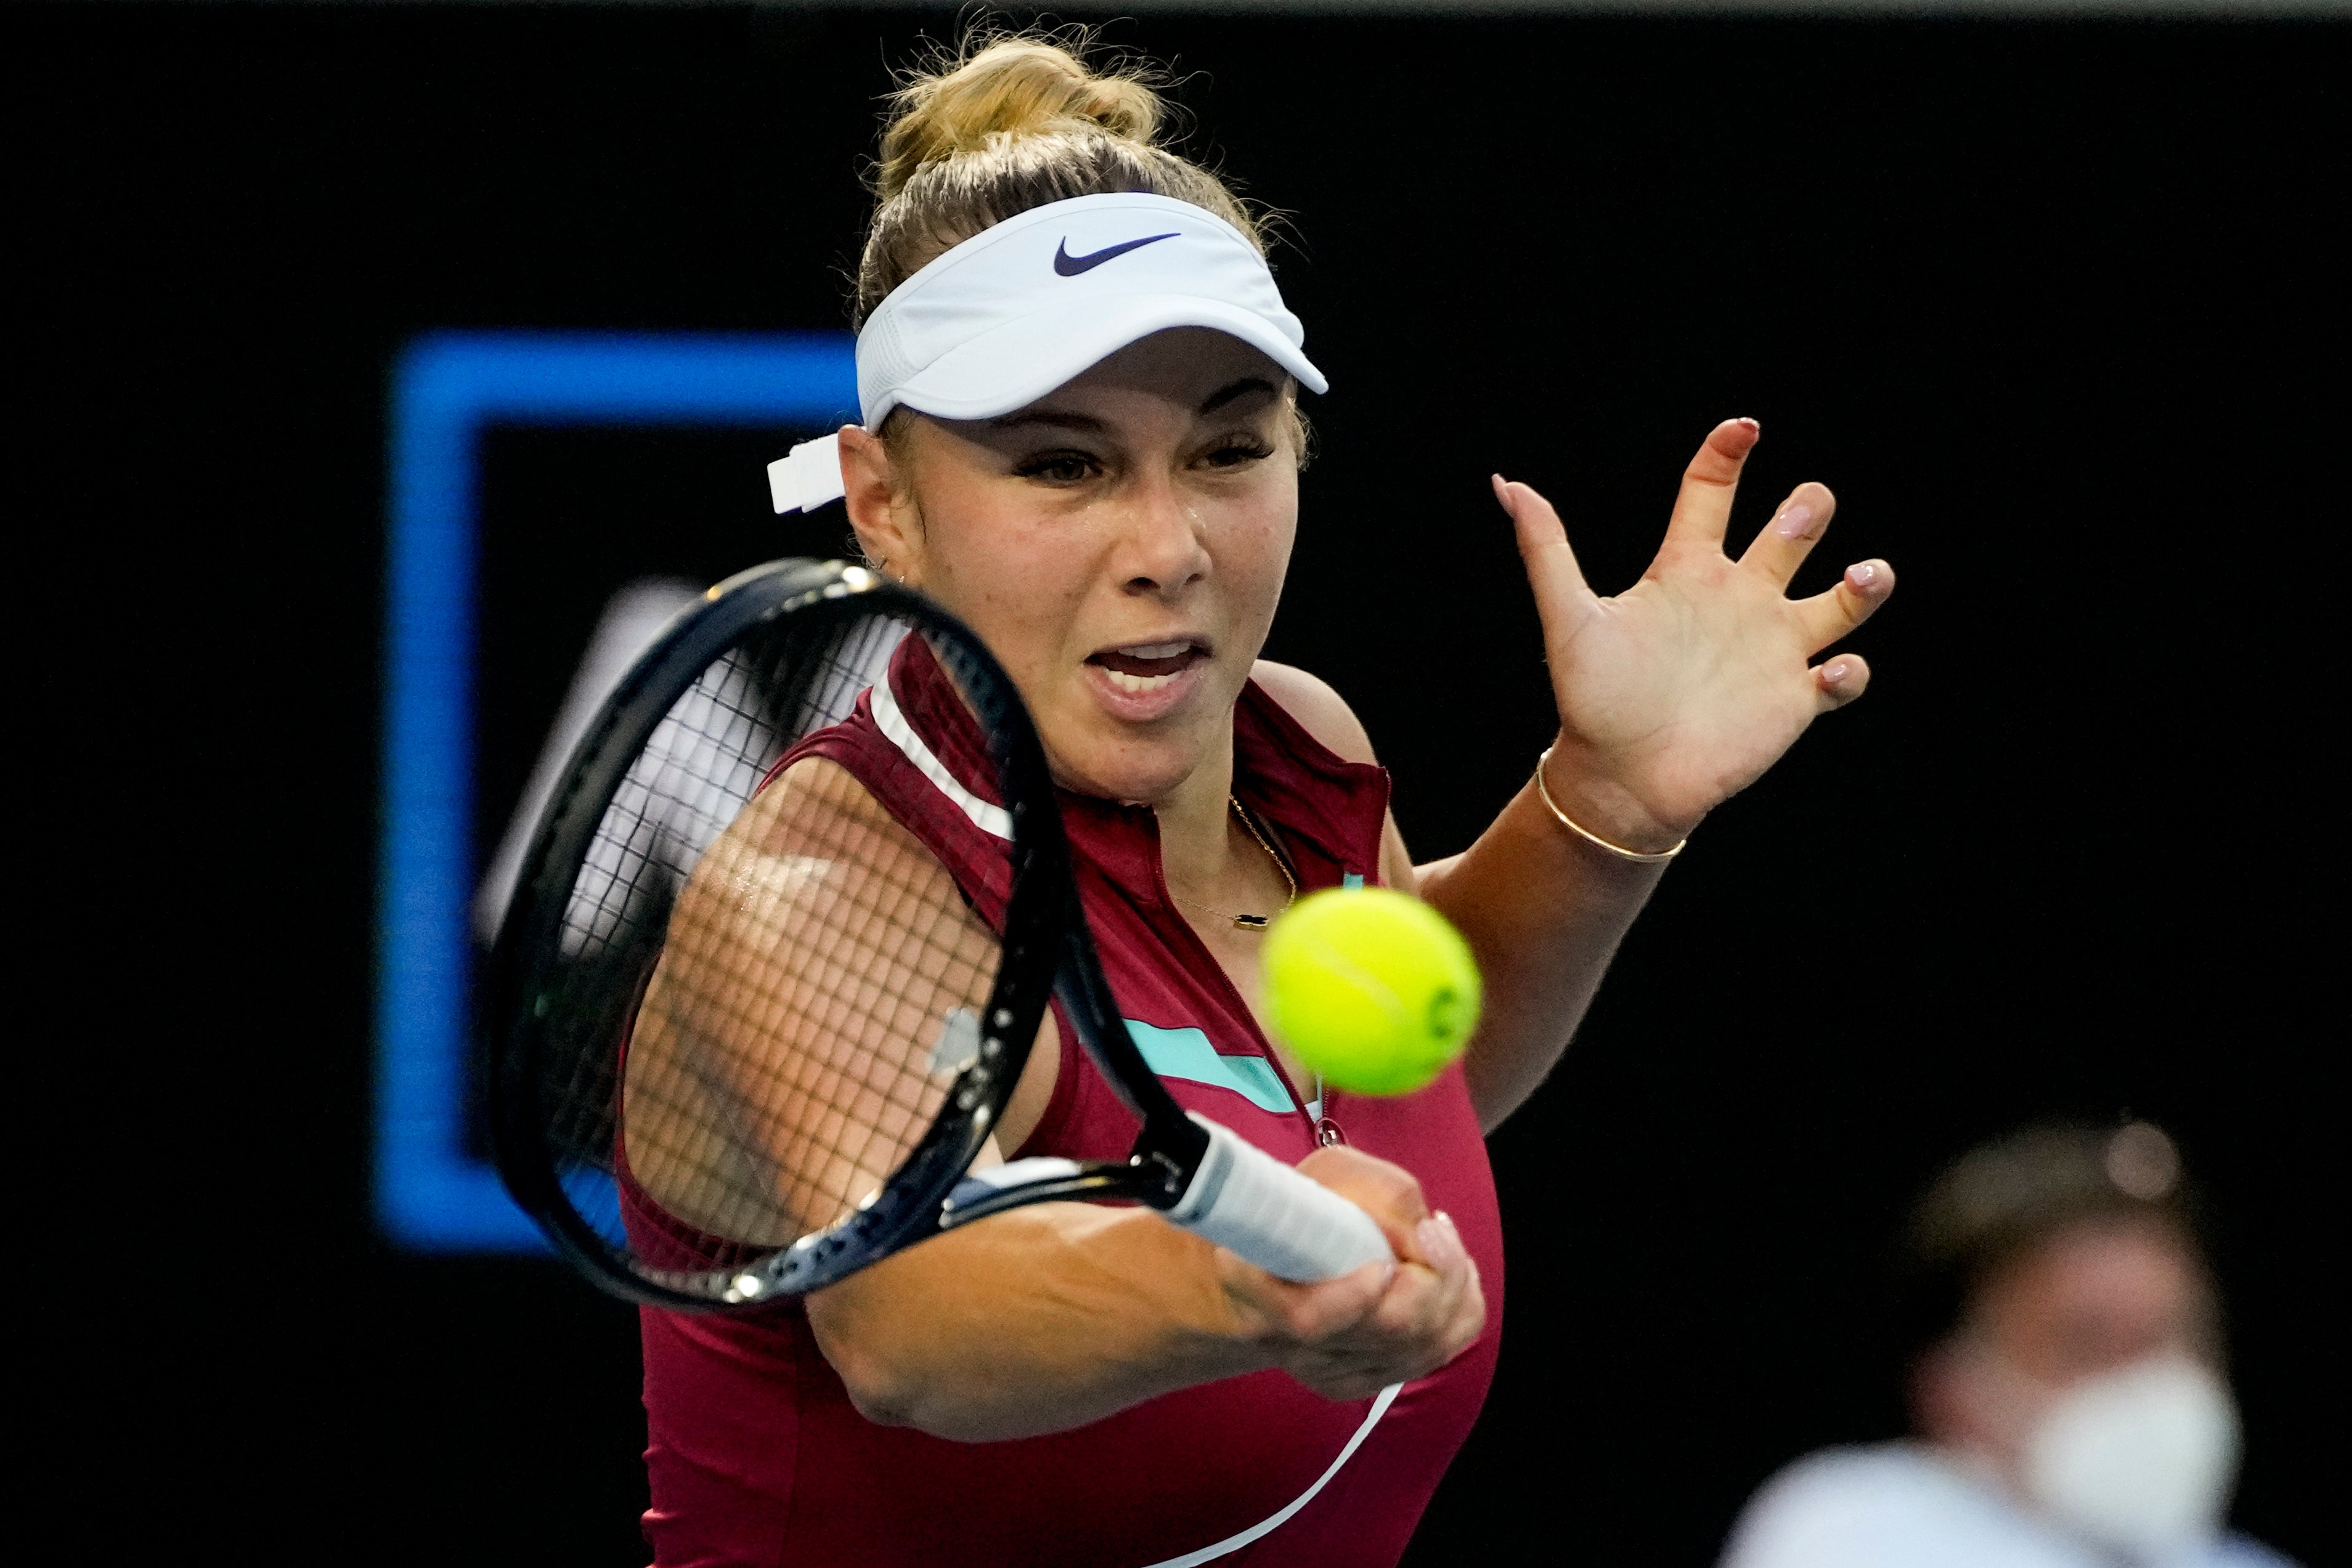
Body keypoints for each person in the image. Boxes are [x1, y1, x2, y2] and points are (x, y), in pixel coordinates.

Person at [635, 30, 1894, 1567]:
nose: (1167, 541)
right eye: (1061, 465)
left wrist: (1608, 802)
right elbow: (908, 1322)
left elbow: (1407, 1084)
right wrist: (1241, 1282)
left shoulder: (1295, 750)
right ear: (884, 504)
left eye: (1228, 448)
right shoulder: (833, 890)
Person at [1719, 1123, 2296, 1568]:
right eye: (2085, 1342)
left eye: (2162, 1337)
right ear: (1950, 1385)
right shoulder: (1850, 1524)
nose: (2141, 1380)